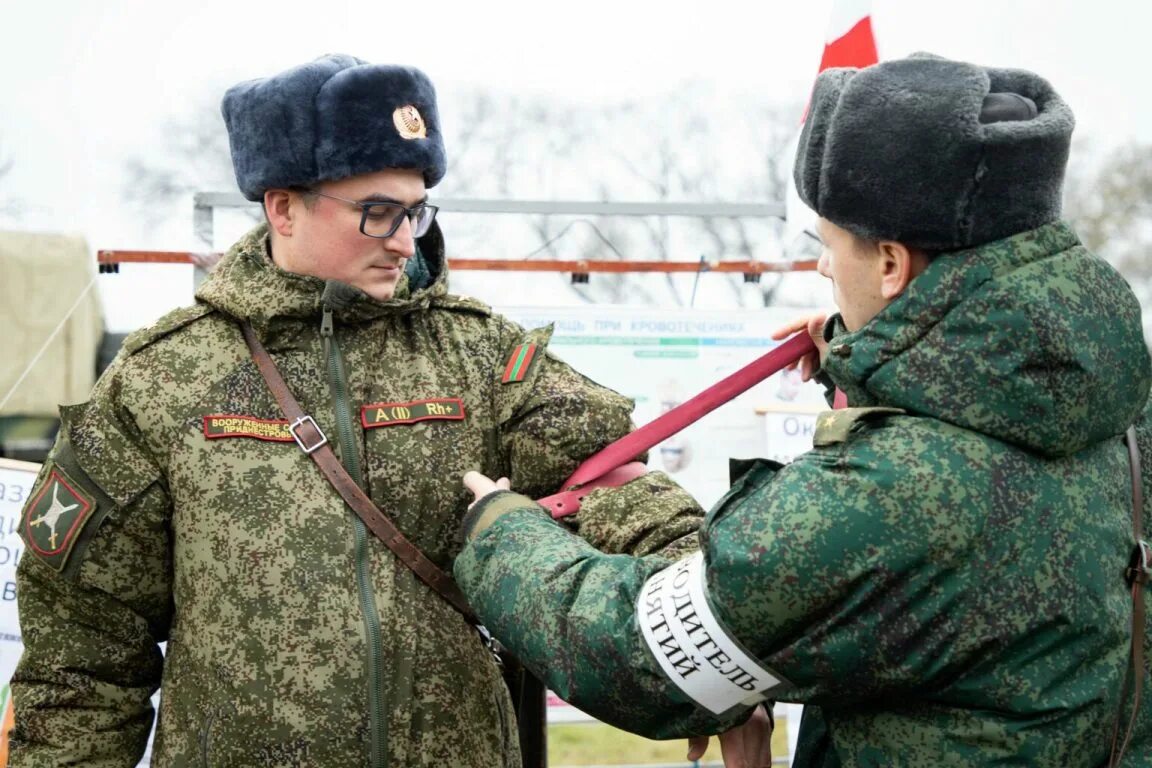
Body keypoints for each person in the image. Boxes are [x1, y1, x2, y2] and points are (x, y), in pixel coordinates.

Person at [8, 54, 713, 767]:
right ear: (283, 206)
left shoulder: (480, 356)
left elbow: (619, 487)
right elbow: (82, 652)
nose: (405, 241)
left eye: (415, 212)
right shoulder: (165, 379)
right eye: (377, 213)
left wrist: (712, 652)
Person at [455, 53, 1152, 766]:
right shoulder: (1117, 408)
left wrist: (501, 536)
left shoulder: (893, 491)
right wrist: (878, 354)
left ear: (890, 265)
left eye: (827, 244)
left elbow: (641, 658)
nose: (823, 268)